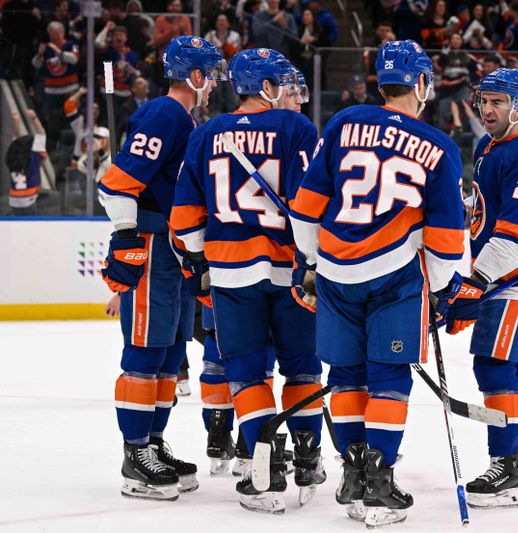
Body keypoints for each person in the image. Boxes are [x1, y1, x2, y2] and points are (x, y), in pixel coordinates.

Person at [289, 40, 465, 527]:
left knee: (345, 374)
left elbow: (305, 208)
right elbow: (449, 240)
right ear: (422, 84)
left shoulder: (344, 123)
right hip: (394, 275)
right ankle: (379, 482)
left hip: (335, 271)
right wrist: (446, 287)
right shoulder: (439, 146)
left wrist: (312, 260)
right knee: (389, 374)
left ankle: (351, 474)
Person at [170, 48, 323, 513]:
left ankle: (264, 467)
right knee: (302, 366)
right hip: (291, 270)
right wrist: (314, 261)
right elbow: (314, 201)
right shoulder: (297, 128)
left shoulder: (208, 133)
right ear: (270, 87)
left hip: (231, 272)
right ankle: (308, 457)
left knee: (247, 371)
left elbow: (184, 217)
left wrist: (196, 261)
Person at [97, 35, 223, 501]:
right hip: (153, 246)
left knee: (171, 356)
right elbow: (116, 185)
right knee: (147, 354)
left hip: (176, 251)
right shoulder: (165, 114)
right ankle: (135, 455)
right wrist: (128, 237)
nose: (213, 84)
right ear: (194, 75)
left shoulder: (185, 118)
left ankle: (152, 442)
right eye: (209, 74)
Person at [445, 67, 518, 508]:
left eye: (499, 101)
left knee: (494, 366)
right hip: (512, 277)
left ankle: (507, 467)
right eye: (485, 100)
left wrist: (475, 282)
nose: (488, 109)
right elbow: (486, 212)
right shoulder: (487, 147)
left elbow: (516, 235)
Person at [6, 109, 46, 216]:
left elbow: (16, 143)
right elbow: (41, 134)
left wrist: (16, 123)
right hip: (31, 200)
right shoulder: (34, 156)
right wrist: (34, 117)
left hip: (14, 201)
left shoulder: (12, 157)